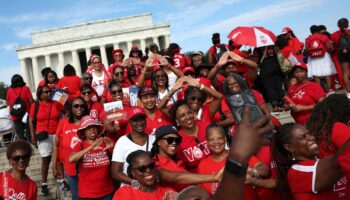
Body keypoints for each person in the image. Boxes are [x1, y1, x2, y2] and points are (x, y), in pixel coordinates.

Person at [272, 123, 350, 200]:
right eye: (303, 137)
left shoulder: (320, 160)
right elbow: (340, 160)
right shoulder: (297, 172)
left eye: (309, 134)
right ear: (289, 147)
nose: (312, 138)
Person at [151, 125, 223, 192]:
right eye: (170, 140)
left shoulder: (178, 161)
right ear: (159, 142)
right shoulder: (153, 164)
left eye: (177, 140)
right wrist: (214, 178)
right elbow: (176, 178)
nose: (174, 143)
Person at [28, 85, 65, 195]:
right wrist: (33, 135)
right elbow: (31, 121)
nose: (48, 93)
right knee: (46, 159)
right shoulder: (35, 105)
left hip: (56, 133)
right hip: (43, 134)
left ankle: (62, 180)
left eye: (49, 92)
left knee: (58, 159)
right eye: (45, 92)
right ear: (40, 94)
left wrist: (60, 91)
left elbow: (66, 108)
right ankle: (44, 183)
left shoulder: (56, 103)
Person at [69, 115, 115, 199]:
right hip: (87, 194)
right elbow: (71, 159)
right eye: (88, 128)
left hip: (107, 192)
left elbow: (118, 161)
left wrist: (113, 148)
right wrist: (90, 148)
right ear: (83, 132)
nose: (92, 129)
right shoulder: (80, 145)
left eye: (94, 127)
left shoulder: (105, 141)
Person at [53, 97, 89, 200]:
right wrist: (54, 163)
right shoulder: (63, 123)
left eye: (82, 106)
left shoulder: (89, 123)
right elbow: (56, 145)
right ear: (71, 108)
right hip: (70, 168)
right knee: (76, 196)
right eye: (76, 106)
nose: (79, 108)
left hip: (88, 168)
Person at [111, 106, 156, 185]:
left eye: (142, 119)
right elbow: (115, 172)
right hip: (130, 189)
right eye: (135, 120)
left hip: (151, 188)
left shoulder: (154, 139)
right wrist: (136, 184)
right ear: (129, 121)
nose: (140, 123)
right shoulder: (122, 141)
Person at [305, 25, 336, 91]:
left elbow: (307, 50)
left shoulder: (308, 39)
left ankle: (319, 90)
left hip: (313, 58)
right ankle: (329, 89)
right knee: (327, 73)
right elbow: (328, 47)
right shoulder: (323, 36)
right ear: (318, 30)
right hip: (324, 56)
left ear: (311, 31)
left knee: (316, 74)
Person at [6, 74, 33, 140]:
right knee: (29, 133)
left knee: (20, 136)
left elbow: (7, 102)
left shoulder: (9, 90)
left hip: (15, 115)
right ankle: (31, 145)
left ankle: (22, 147)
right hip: (26, 114)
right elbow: (31, 101)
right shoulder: (26, 88)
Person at [331, 18, 350, 93]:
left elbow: (333, 47)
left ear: (338, 25)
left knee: (345, 73)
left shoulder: (333, 35)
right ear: (347, 24)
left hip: (342, 53)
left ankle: (349, 92)